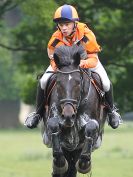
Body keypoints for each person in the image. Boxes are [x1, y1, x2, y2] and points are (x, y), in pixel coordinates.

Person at [24, 4, 122, 129]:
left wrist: (84, 63)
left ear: (75, 23)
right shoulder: (55, 40)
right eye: (61, 25)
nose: (64, 28)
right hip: (63, 66)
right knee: (43, 81)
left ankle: (111, 112)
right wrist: (57, 67)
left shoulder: (87, 36)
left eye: (67, 24)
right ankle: (37, 114)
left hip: (87, 62)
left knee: (106, 82)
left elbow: (94, 59)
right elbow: (52, 59)